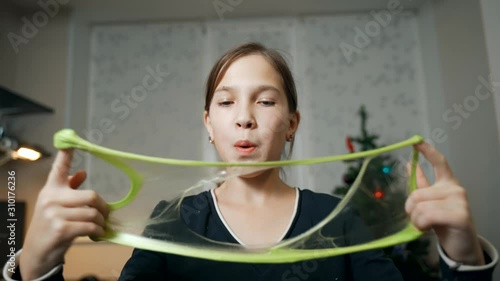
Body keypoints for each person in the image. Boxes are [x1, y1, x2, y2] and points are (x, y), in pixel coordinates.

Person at [4, 42, 497, 281]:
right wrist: (36, 266)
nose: (245, 119)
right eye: (226, 103)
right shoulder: (172, 222)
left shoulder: (340, 218)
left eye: (265, 101)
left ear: (292, 124)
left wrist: (463, 257)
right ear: (208, 124)